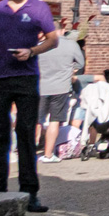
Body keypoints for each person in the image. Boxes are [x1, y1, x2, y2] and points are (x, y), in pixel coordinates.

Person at [0, 0, 58, 212]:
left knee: (25, 135)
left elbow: (53, 39)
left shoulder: (38, 8)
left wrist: (32, 51)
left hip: (26, 77)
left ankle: (29, 193)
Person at [33, 25, 84, 163]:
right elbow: (81, 63)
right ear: (62, 30)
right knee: (54, 121)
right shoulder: (71, 45)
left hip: (40, 87)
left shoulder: (40, 45)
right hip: (61, 88)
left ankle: (29, 152)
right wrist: (69, 69)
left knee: (36, 120)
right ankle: (48, 155)